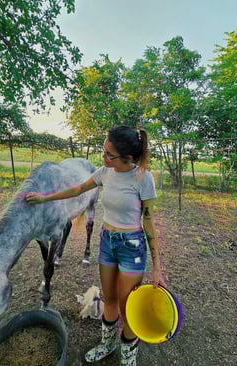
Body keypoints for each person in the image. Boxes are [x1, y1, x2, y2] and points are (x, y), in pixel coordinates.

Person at [25, 125, 164, 366]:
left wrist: (157, 268)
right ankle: (107, 345)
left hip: (132, 247)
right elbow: (78, 189)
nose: (103, 157)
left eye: (109, 154)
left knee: (127, 305)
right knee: (109, 300)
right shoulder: (104, 172)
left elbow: (149, 221)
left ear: (128, 158)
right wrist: (45, 197)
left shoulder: (143, 178)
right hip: (107, 241)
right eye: (103, 151)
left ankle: (128, 357)